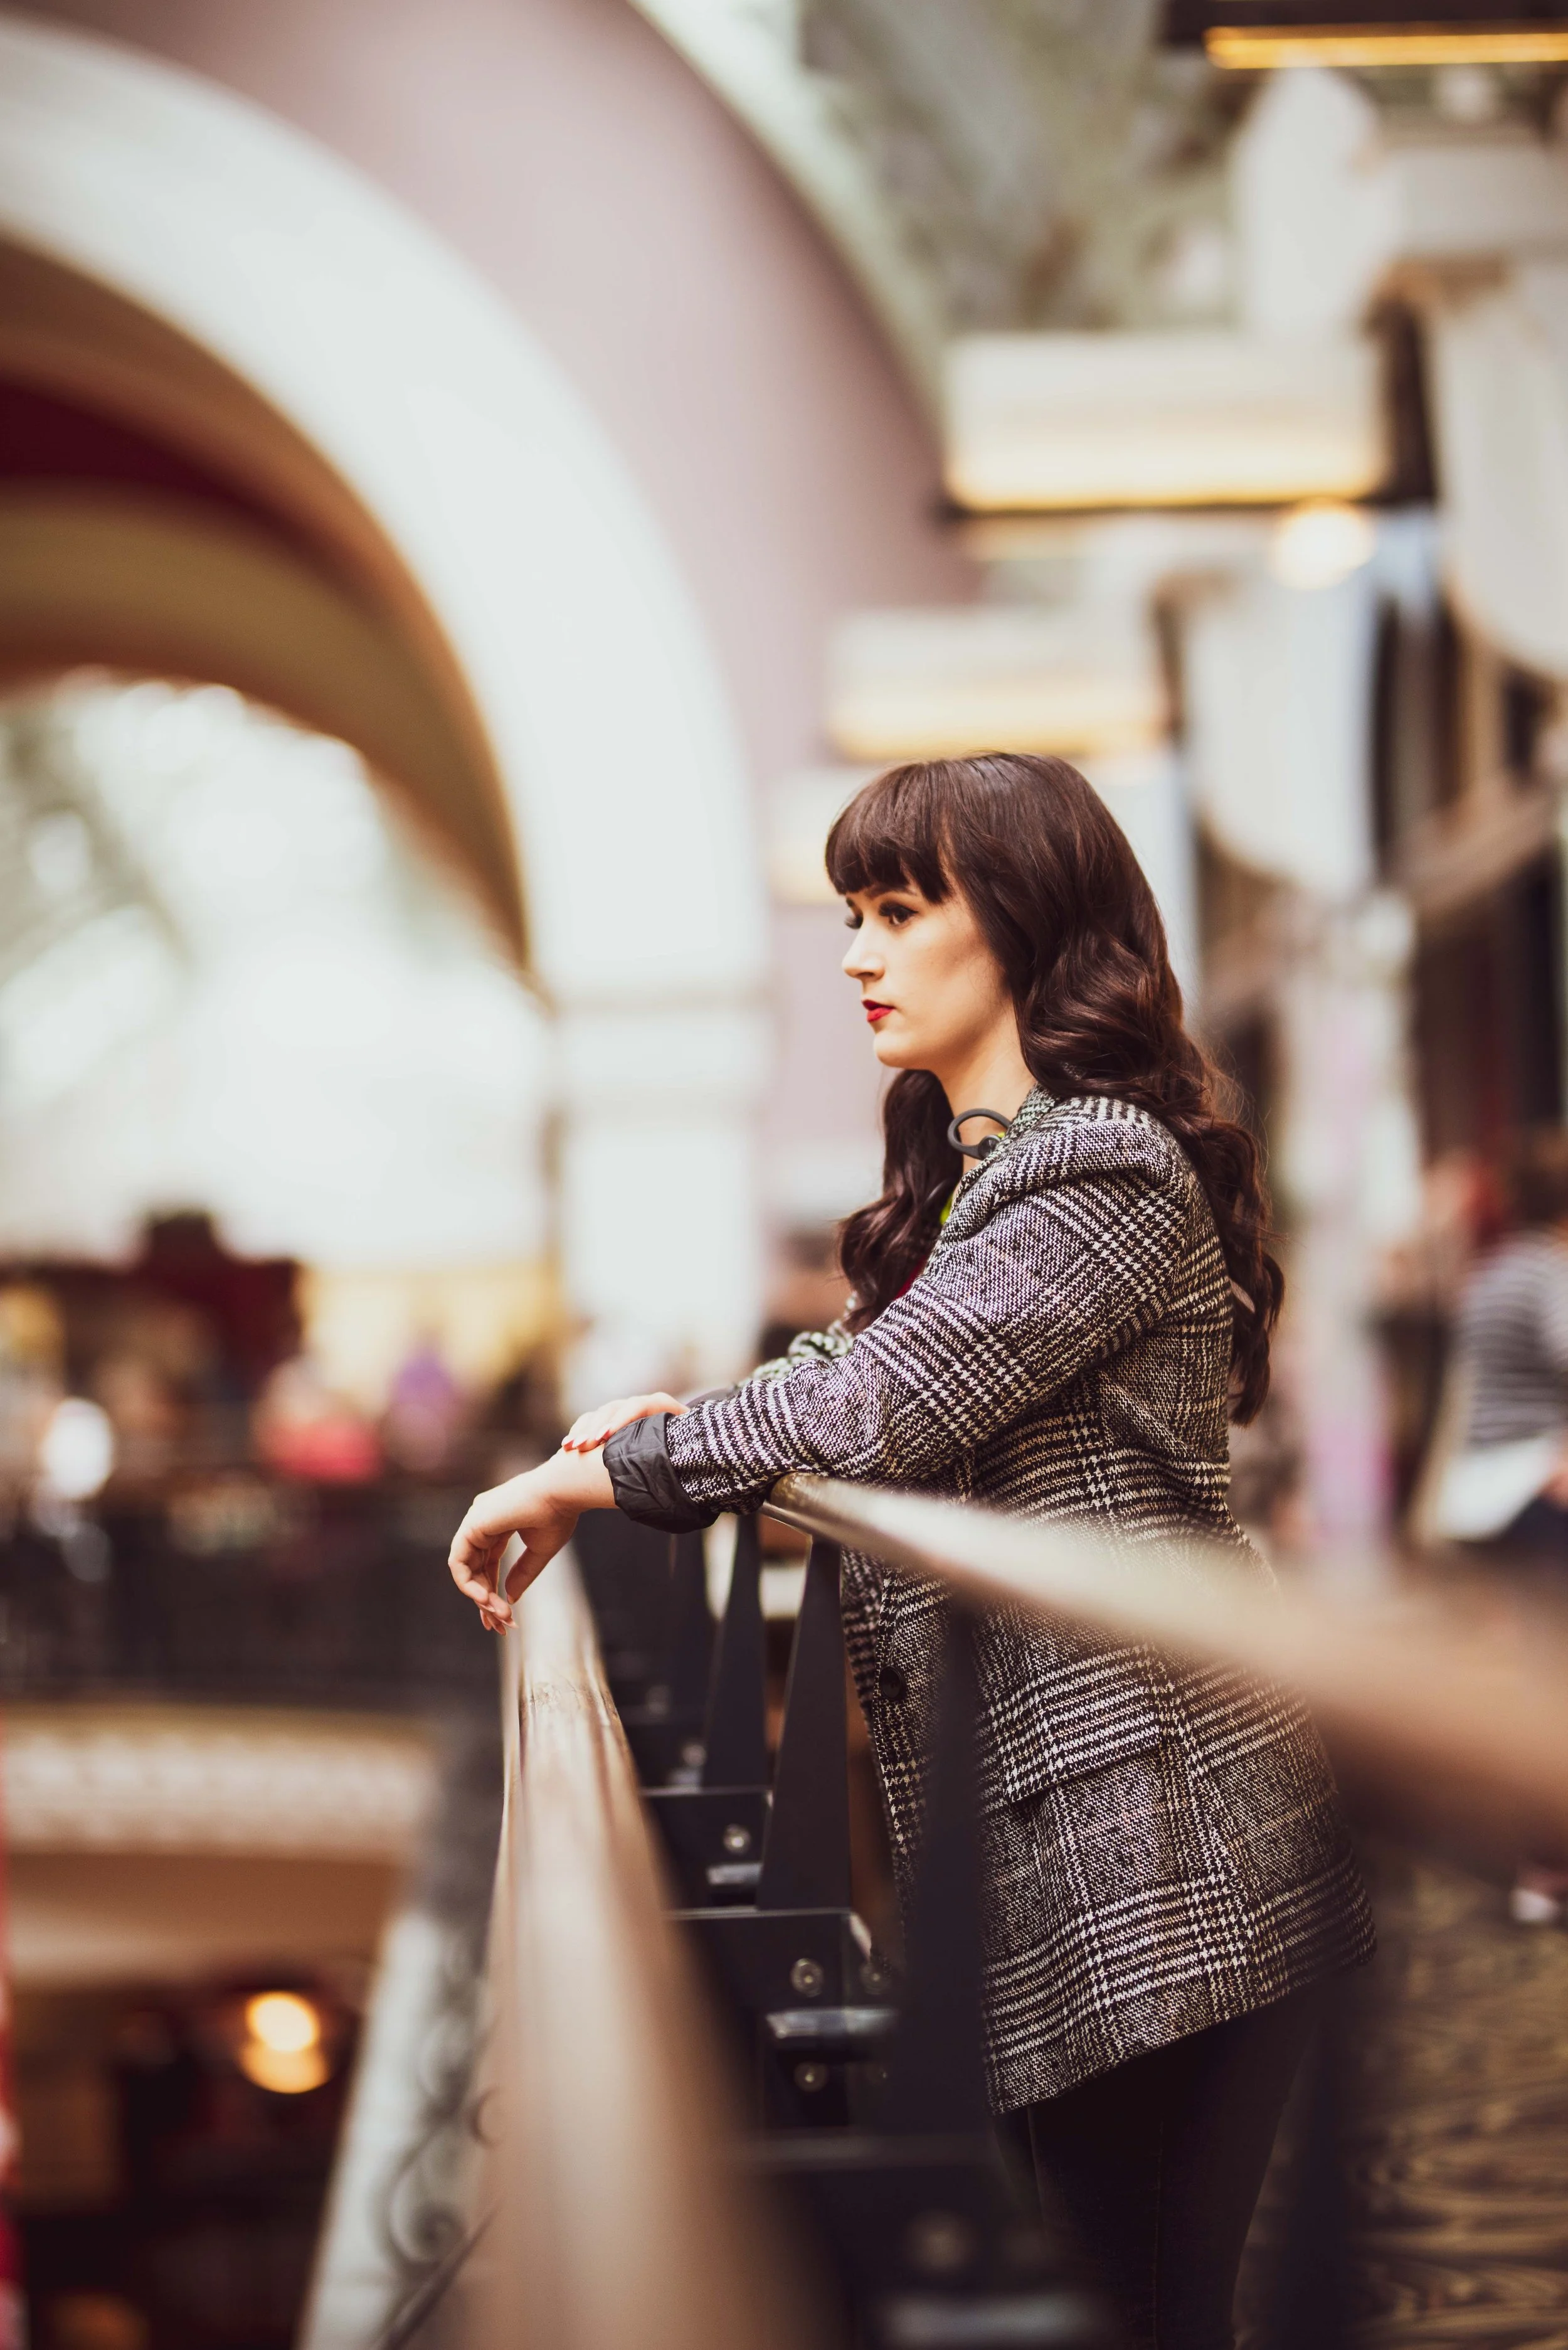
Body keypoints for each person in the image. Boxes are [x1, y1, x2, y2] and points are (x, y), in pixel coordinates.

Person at [448, 753, 1374, 2349]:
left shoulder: (1103, 1164)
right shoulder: (986, 1181)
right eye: (852, 917)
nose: (860, 956)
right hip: (1070, 1833)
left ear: (1021, 923)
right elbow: (873, 1368)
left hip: (1166, 1836)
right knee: (1103, 2291)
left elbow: (882, 1398)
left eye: (899, 910)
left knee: (1139, 2301)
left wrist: (590, 1485)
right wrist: (681, 1418)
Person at [1426, 1126, 1568, 1924]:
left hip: (1482, 1495)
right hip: (1533, 1490)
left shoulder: (1491, 1273)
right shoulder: (1551, 1270)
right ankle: (1549, 1865)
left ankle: (1537, 1866)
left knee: (1537, 1672)